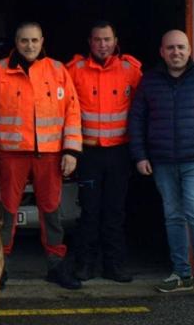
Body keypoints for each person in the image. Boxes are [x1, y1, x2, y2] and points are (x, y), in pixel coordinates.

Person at [128, 30, 194, 301]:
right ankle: (180, 273)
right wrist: (140, 155)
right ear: (161, 52)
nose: (176, 52)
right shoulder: (150, 81)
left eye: (181, 47)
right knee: (173, 217)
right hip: (162, 162)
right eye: (170, 48)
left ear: (190, 50)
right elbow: (137, 120)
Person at [0, 22, 84, 290]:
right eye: (24, 41)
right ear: (16, 41)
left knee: (51, 211)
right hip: (11, 154)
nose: (30, 46)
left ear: (42, 40)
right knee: (7, 213)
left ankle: (56, 266)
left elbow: (72, 111)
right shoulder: (0, 70)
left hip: (50, 154)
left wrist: (71, 150)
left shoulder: (57, 70)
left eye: (34, 40)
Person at [67, 21, 142, 283]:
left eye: (107, 39)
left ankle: (114, 266)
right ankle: (84, 265)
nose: (102, 44)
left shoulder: (130, 70)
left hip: (119, 153)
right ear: (89, 42)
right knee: (89, 212)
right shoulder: (74, 70)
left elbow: (142, 110)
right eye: (97, 40)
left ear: (115, 40)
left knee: (115, 212)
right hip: (88, 153)